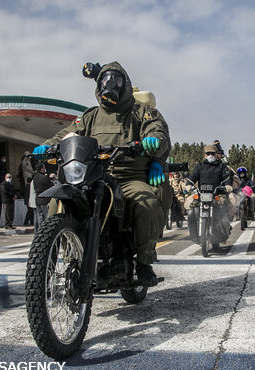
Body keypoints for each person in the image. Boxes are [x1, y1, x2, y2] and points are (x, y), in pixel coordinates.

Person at [32, 62, 170, 287]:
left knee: (146, 203)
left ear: (124, 83)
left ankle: (144, 262)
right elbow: (67, 134)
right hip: (94, 174)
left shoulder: (142, 111)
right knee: (58, 199)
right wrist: (47, 146)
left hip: (129, 177)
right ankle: (51, 257)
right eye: (105, 80)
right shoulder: (90, 116)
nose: (110, 85)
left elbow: (157, 130)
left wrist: (153, 142)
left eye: (116, 80)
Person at [186, 144, 233, 245]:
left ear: (216, 154)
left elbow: (226, 178)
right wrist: (189, 185)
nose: (210, 155)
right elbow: (192, 177)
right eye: (208, 153)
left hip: (217, 194)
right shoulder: (199, 166)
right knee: (192, 208)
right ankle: (195, 235)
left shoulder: (222, 166)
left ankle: (225, 229)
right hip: (202, 194)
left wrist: (227, 186)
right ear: (204, 155)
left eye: (212, 153)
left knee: (224, 207)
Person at [32, 163, 52, 232]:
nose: (44, 169)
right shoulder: (44, 177)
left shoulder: (35, 177)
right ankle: (46, 229)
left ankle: (40, 229)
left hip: (38, 199)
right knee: (46, 215)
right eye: (44, 168)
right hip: (44, 199)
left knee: (39, 216)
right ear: (41, 169)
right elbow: (50, 186)